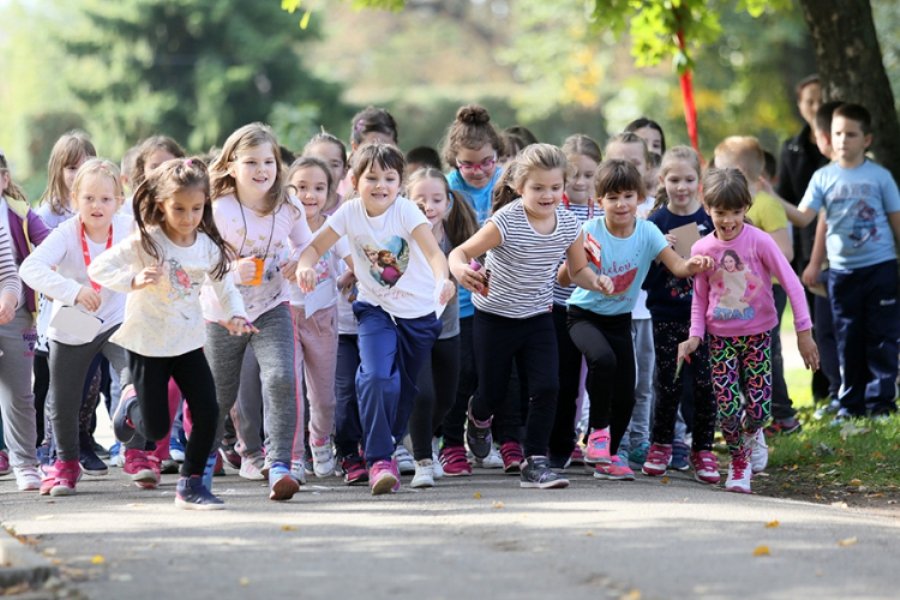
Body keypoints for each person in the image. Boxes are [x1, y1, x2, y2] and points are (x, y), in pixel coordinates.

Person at [89, 157, 253, 509]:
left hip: (189, 341)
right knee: (157, 429)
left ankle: (191, 485)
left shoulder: (207, 245)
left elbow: (225, 285)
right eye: (178, 208)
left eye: (196, 208)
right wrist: (133, 280)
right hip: (148, 343)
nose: (188, 217)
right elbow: (98, 267)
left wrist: (235, 313)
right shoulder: (148, 241)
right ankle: (132, 401)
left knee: (209, 411)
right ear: (161, 205)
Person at [449, 143, 613, 490]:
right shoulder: (505, 221)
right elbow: (460, 252)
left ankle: (535, 460)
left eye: (555, 187)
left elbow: (577, 269)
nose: (548, 195)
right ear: (520, 187)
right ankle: (478, 418)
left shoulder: (569, 225)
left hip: (538, 316)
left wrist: (596, 282)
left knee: (547, 386)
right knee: (492, 392)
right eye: (538, 188)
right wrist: (462, 271)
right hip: (494, 318)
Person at [296, 143, 454, 495]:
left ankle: (385, 442)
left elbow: (433, 254)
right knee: (377, 377)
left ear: (400, 182)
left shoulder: (407, 212)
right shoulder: (350, 213)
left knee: (405, 390)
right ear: (353, 180)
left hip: (418, 313)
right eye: (372, 178)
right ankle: (380, 460)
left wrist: (443, 279)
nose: (381, 185)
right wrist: (305, 265)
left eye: (389, 178)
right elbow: (313, 248)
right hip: (375, 309)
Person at [567, 158, 714, 481]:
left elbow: (677, 265)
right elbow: (571, 275)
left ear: (639, 198)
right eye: (613, 197)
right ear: (599, 200)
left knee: (628, 392)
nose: (621, 204)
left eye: (628, 196)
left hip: (619, 318)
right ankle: (598, 435)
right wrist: (592, 274)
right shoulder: (589, 230)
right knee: (603, 361)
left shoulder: (647, 231)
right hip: (583, 316)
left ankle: (609, 456)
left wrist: (696, 263)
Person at [679, 167, 818, 494]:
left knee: (759, 409)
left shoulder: (760, 241)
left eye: (737, 212)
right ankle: (739, 463)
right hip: (720, 338)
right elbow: (699, 299)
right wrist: (695, 335)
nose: (728, 221)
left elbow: (792, 285)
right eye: (720, 213)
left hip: (758, 336)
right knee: (726, 406)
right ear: (707, 206)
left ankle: (754, 433)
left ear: (747, 207)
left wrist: (804, 331)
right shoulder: (701, 250)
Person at [203, 123, 312, 501]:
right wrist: (232, 271)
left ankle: (279, 464)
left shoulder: (287, 204)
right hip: (224, 312)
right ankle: (202, 461)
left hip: (271, 305)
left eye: (269, 160)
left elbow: (306, 247)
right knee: (219, 393)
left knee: (282, 376)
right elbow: (197, 264)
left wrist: (300, 264)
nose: (262, 169)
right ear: (231, 165)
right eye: (251, 162)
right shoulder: (216, 208)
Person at [20, 160, 135, 495]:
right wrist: (73, 291)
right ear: (74, 199)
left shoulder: (129, 227)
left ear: (118, 200)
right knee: (63, 399)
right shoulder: (66, 233)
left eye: (105, 199)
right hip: (73, 320)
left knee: (136, 377)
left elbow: (155, 253)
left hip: (117, 318)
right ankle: (66, 463)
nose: (97, 206)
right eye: (88, 199)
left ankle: (138, 453)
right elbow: (30, 268)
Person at [791, 103, 900, 419]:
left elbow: (896, 221)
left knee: (881, 337)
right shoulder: (823, 178)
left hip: (880, 268)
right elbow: (803, 217)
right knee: (847, 338)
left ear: (866, 139)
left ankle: (881, 402)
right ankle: (851, 403)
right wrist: (770, 195)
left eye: (851, 134)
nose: (843, 140)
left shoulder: (880, 177)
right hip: (841, 273)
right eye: (837, 133)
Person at [439, 104, 516, 475]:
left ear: (497, 155)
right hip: (464, 299)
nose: (478, 171)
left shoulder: (508, 185)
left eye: (486, 162)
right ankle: (451, 443)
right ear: (454, 161)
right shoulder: (447, 191)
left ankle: (503, 436)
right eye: (467, 164)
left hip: (505, 297)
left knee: (504, 373)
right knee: (463, 372)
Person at [641, 146, 719, 483]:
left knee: (705, 383)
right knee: (668, 382)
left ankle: (703, 448)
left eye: (689, 179)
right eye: (674, 179)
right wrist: (658, 253)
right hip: (666, 313)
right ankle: (661, 444)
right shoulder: (654, 223)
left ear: (699, 181)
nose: (682, 186)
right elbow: (640, 277)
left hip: (706, 317)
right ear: (662, 180)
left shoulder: (711, 220)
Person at [714, 136, 798, 436]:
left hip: (768, 292)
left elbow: (785, 252)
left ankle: (782, 415)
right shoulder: (731, 210)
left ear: (735, 170)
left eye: (719, 168)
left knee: (768, 352)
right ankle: (751, 412)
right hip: (741, 294)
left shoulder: (766, 204)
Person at [33, 132, 104, 474]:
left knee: (92, 379)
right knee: (62, 382)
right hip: (63, 310)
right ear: (58, 170)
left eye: (86, 166)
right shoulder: (49, 215)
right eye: (71, 168)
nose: (78, 174)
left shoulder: (100, 206)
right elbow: (40, 268)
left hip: (97, 306)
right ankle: (53, 446)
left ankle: (83, 437)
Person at [406, 167, 478, 488]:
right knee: (423, 393)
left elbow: (474, 261)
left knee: (447, 397)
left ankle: (416, 439)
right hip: (411, 326)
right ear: (406, 202)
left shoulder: (456, 232)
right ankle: (423, 459)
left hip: (448, 327)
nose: (428, 206)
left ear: (449, 202)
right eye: (419, 199)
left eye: (436, 199)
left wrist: (473, 273)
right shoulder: (401, 236)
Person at [287, 157, 351, 477]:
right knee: (290, 390)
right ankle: (294, 455)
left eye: (318, 188)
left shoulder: (332, 227)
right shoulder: (281, 225)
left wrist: (356, 276)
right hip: (286, 315)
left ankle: (321, 439)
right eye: (300, 187)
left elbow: (352, 260)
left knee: (323, 396)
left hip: (323, 317)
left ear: (329, 192)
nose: (308, 195)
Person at [604, 132, 657, 469]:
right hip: (614, 314)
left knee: (644, 383)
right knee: (616, 382)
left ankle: (641, 440)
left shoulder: (653, 213)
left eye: (634, 163)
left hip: (646, 313)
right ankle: (616, 442)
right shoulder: (604, 216)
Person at [547, 134, 601, 469]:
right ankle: (561, 443)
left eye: (588, 175)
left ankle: (597, 439)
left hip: (597, 307)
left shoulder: (606, 207)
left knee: (599, 376)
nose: (580, 182)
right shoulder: (552, 207)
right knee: (564, 380)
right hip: (559, 305)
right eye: (573, 175)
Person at [0, 150, 50, 492]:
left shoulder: (16, 214)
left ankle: (25, 462)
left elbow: (11, 269)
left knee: (19, 391)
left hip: (13, 310)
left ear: (4, 179)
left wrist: (10, 297)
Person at [303, 131, 349, 215]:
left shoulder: (349, 212)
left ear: (344, 172)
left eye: (334, 165)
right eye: (319, 163)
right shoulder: (294, 210)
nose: (327, 170)